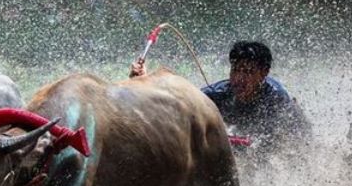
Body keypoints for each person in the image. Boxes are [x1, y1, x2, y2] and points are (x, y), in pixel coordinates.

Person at [130, 41, 310, 149]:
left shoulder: (276, 100)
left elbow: (277, 143)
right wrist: (143, 82)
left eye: (247, 72)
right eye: (235, 70)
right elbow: (177, 107)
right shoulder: (218, 94)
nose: (239, 78)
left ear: (264, 73)